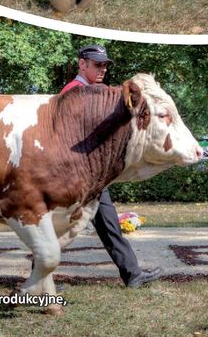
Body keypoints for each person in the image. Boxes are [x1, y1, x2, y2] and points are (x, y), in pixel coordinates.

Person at [60, 44, 161, 288]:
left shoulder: (99, 92)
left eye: (105, 64)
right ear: (82, 64)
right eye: (97, 64)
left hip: (96, 176)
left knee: (108, 224)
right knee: (58, 226)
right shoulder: (71, 93)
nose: (103, 69)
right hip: (75, 175)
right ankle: (40, 280)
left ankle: (132, 274)